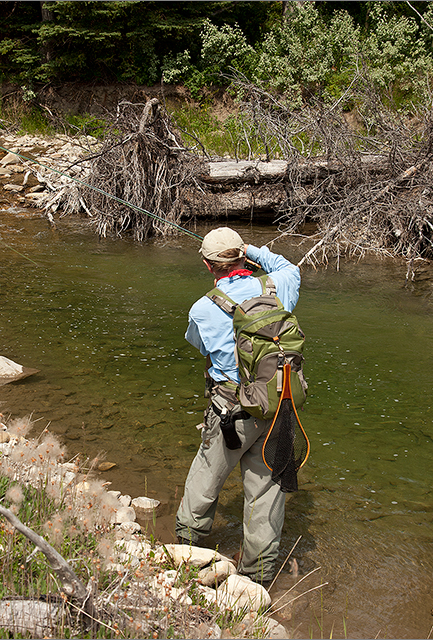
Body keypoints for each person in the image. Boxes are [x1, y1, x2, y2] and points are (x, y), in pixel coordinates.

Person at [175, 226, 301, 586]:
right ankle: (256, 579)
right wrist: (254, 249)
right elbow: (287, 265)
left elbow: (202, 349)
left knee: (206, 478)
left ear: (207, 265)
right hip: (279, 407)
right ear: (243, 256)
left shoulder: (202, 309)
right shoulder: (280, 286)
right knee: (266, 490)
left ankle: (186, 553)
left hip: (230, 410)